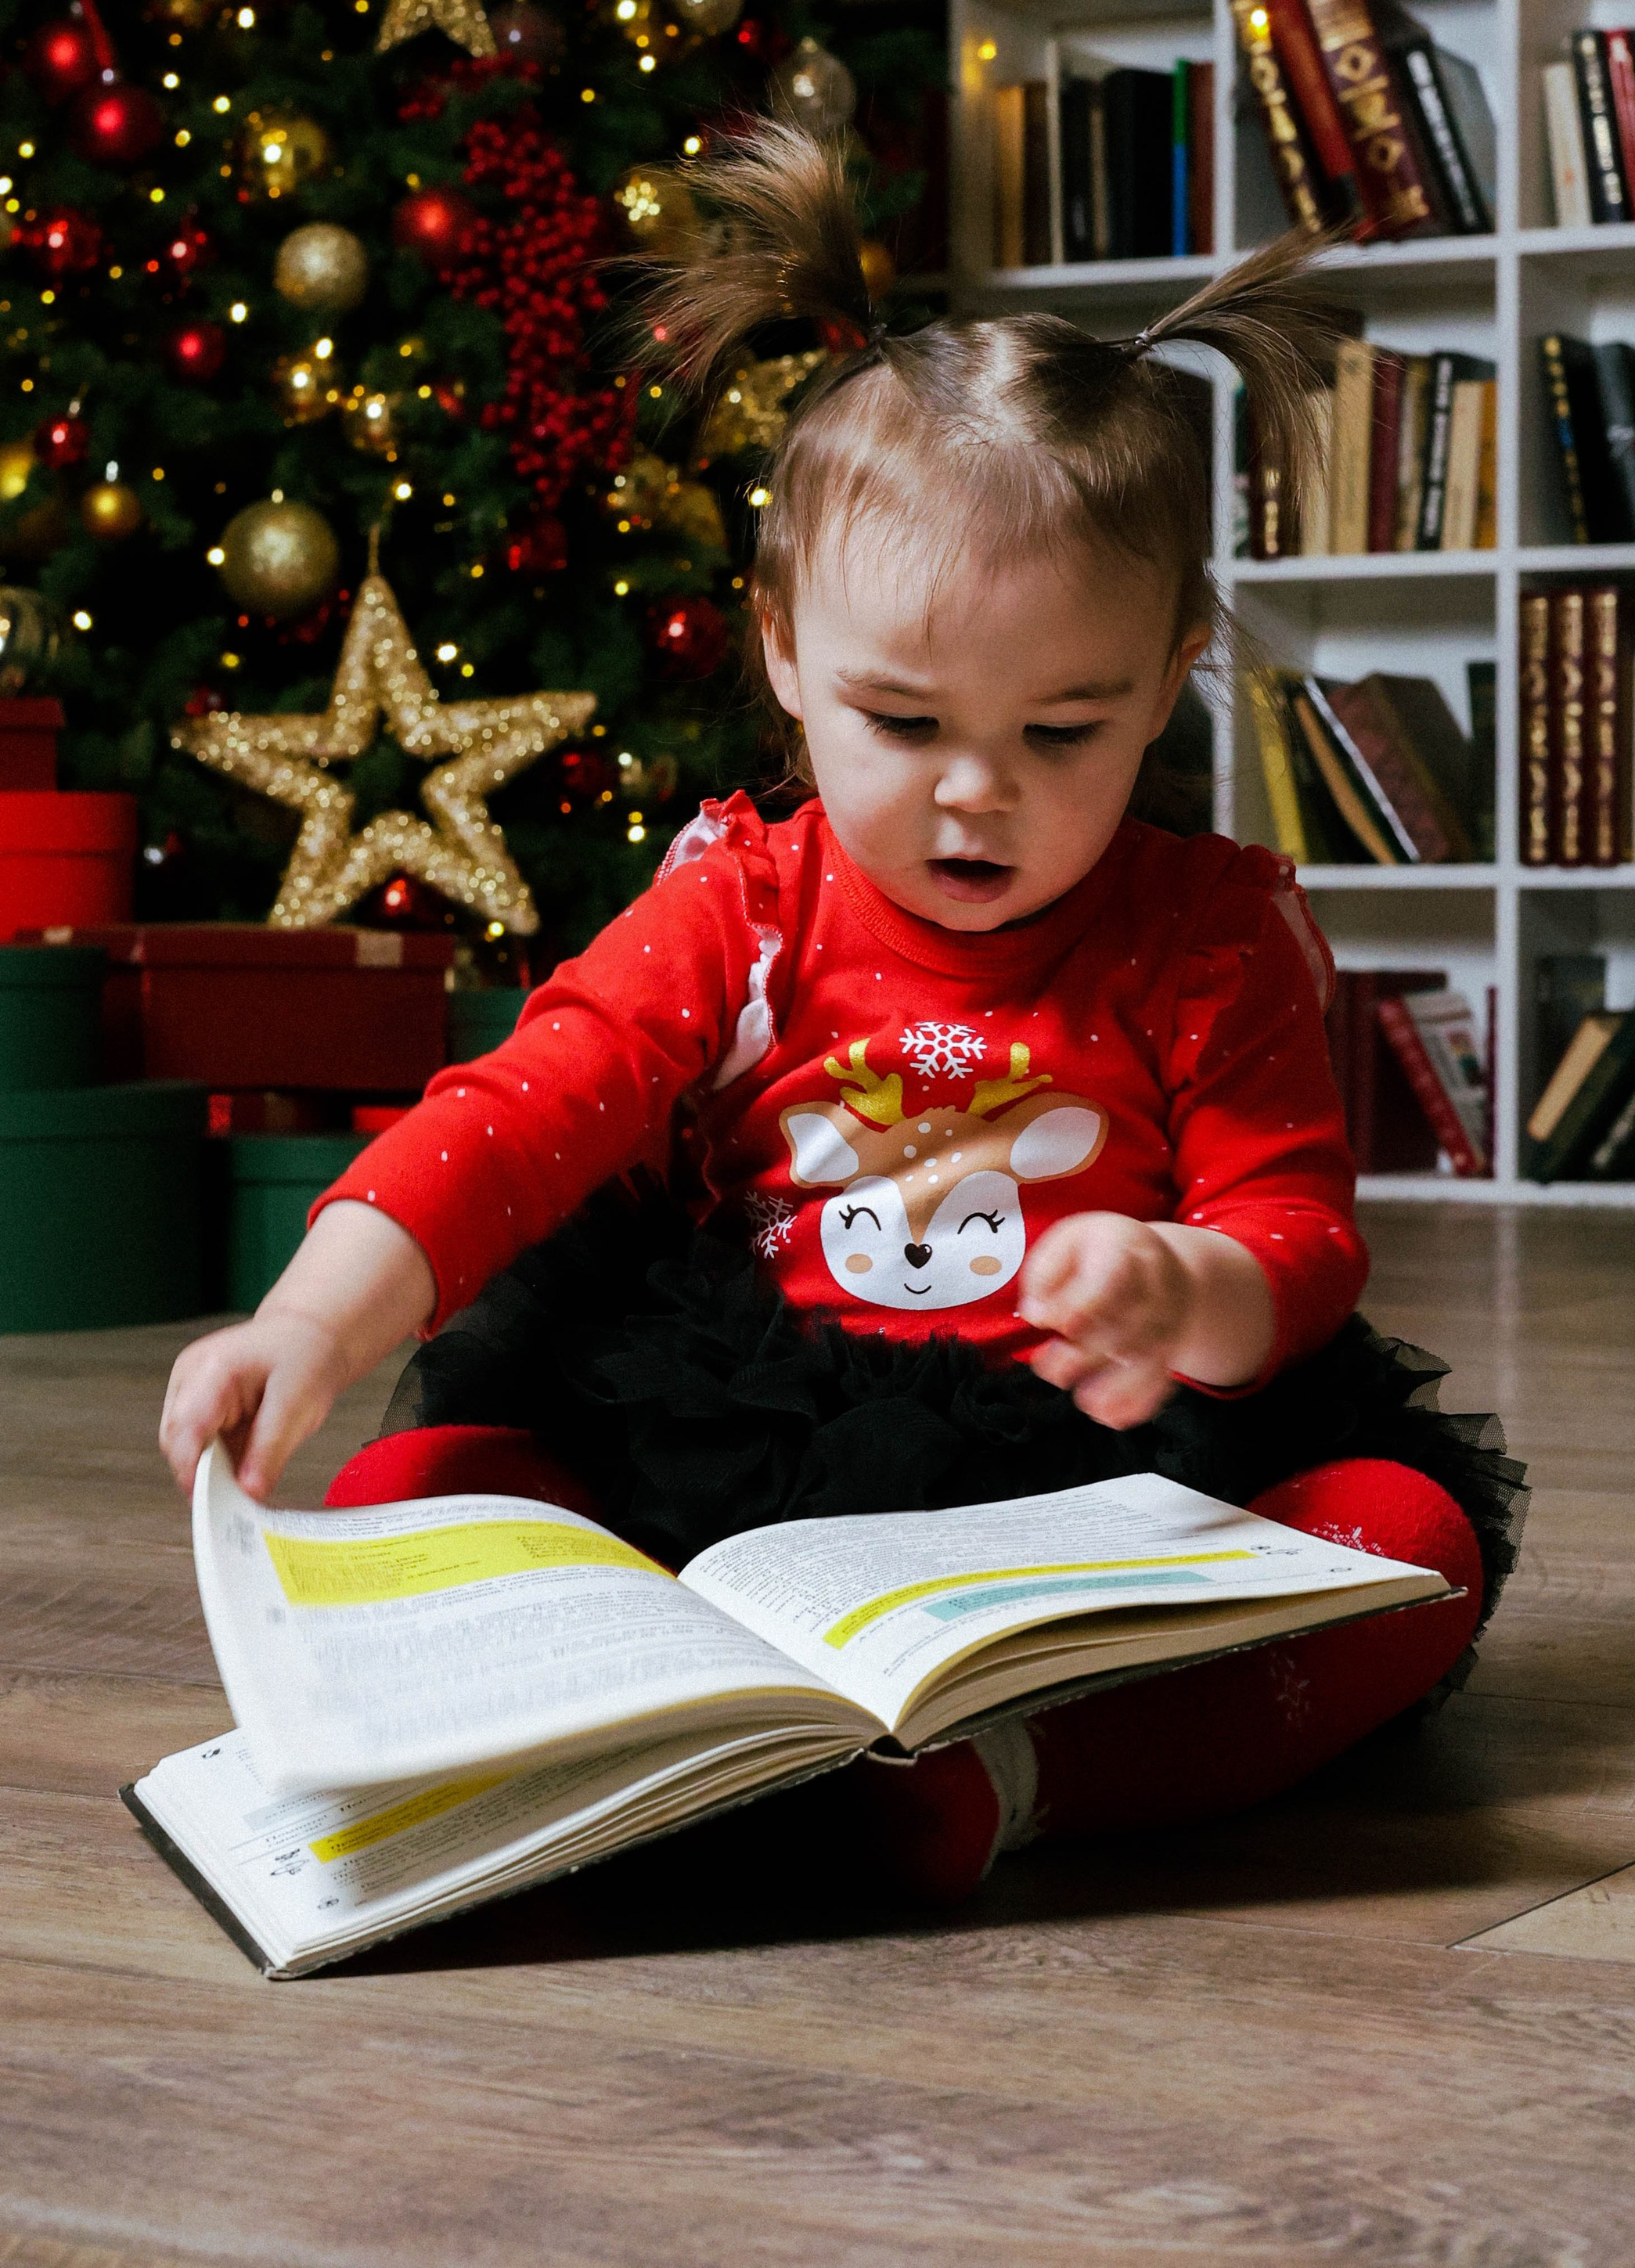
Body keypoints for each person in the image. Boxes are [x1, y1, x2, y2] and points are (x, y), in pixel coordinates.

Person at [159, 121, 1522, 1901]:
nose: (976, 796)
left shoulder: (1205, 937)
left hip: (1083, 1481)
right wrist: (311, 1328)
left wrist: (1202, 1292)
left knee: (1405, 1549)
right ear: (785, 648)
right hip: (736, 1440)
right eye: (902, 723)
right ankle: (658, 1740)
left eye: (1060, 734)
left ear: (1175, 672)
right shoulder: (734, 903)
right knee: (416, 1476)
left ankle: (1016, 1777)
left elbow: (1292, 1216)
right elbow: (517, 1110)